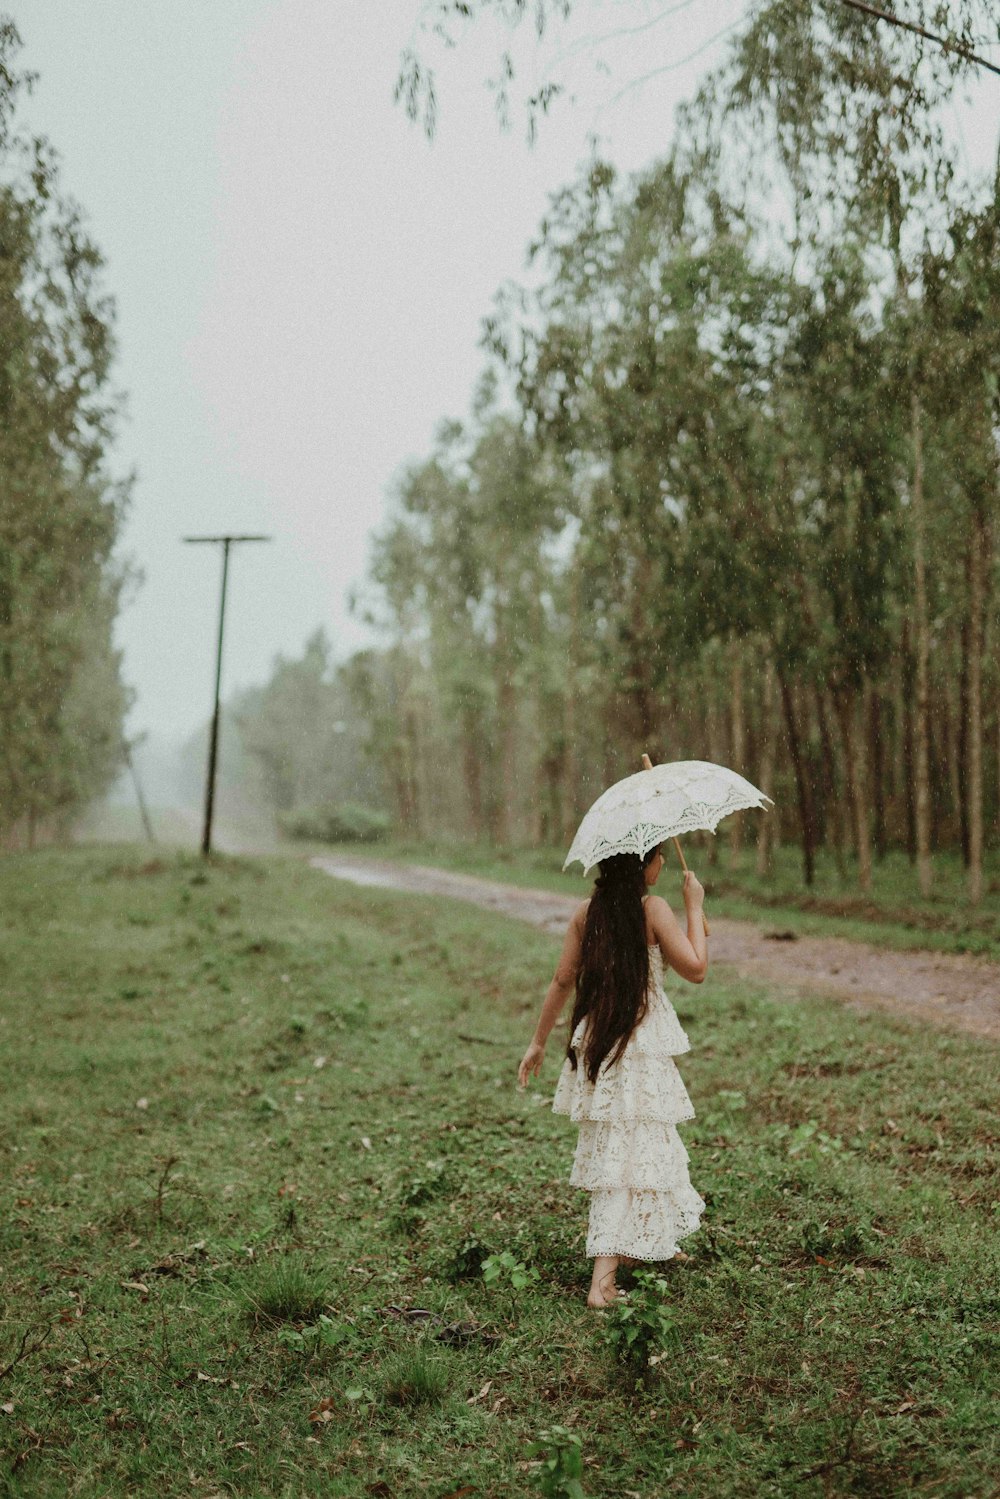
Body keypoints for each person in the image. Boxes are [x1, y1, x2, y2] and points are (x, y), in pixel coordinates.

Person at [517, 844, 708, 1308]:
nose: (662, 864)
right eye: (658, 857)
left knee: (641, 1145)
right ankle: (602, 1284)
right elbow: (697, 969)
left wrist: (538, 1040)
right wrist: (695, 908)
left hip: (602, 1042)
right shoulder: (654, 908)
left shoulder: (589, 912)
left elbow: (563, 980)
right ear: (644, 865)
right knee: (631, 1149)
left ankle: (647, 1243)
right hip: (637, 1047)